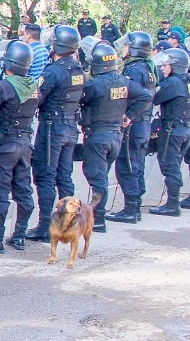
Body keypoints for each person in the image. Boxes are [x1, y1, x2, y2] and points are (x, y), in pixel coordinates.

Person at [78, 40, 150, 232]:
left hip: (98, 136)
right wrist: (128, 116)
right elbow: (145, 96)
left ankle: (97, 219)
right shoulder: (123, 81)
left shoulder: (94, 84)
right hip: (115, 136)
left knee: (98, 178)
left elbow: (80, 100)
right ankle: (96, 215)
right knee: (101, 176)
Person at [26, 25, 86, 242]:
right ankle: (69, 222)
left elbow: (35, 97)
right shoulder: (78, 70)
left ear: (57, 45)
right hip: (70, 127)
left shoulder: (53, 71)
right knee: (64, 177)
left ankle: (45, 226)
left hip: (52, 128)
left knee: (45, 176)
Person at [0, 40, 39, 253]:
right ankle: (19, 235)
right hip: (25, 144)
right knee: (23, 190)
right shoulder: (34, 87)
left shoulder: (4, 87)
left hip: (5, 145)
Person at [109, 33, 160, 223]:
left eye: (127, 46)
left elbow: (142, 97)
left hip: (134, 125)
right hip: (143, 124)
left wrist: (128, 116)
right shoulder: (147, 68)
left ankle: (130, 209)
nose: (124, 49)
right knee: (136, 164)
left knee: (126, 165)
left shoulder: (135, 70)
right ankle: (135, 206)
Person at [147, 48, 190, 216]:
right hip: (184, 128)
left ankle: (172, 205)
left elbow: (154, 98)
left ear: (175, 66)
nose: (163, 68)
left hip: (172, 130)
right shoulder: (186, 81)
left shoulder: (173, 83)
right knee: (175, 165)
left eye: (165, 65)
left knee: (170, 166)